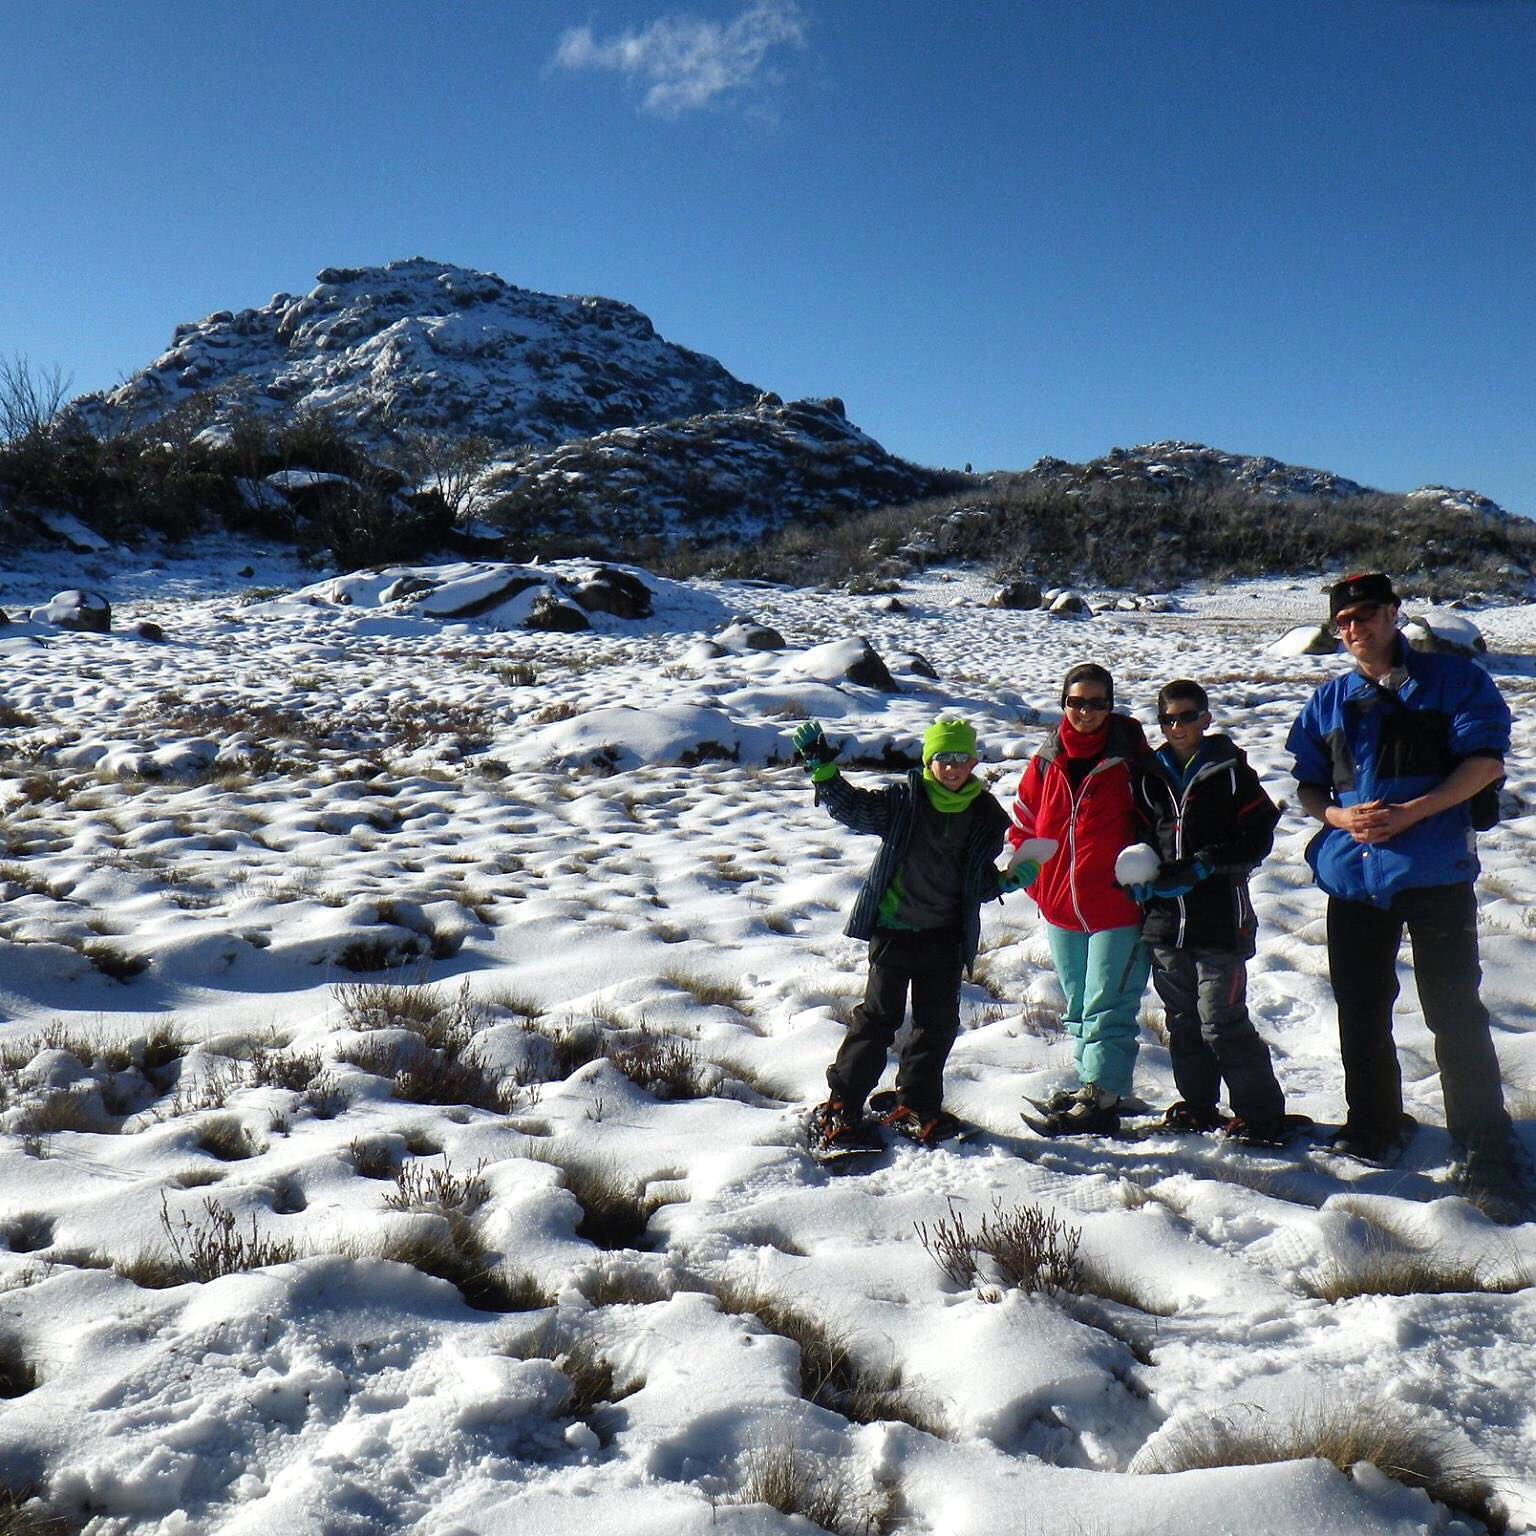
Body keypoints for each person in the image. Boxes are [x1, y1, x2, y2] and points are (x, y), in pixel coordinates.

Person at [1286, 572, 1528, 1219]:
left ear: (1394, 615)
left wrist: (1413, 811)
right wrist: (1338, 819)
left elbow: (1485, 763)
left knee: (1452, 1011)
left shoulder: (1455, 682)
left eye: (1365, 615)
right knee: (1361, 1008)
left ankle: (1484, 1145)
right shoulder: (1330, 701)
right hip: (1354, 877)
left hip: (1435, 872)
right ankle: (1374, 1124)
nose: (1354, 629)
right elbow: (1308, 787)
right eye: (1343, 622)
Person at [790, 715, 1013, 1153]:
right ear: (928, 760)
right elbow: (854, 807)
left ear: (973, 761)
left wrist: (1008, 880)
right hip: (894, 933)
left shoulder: (985, 815)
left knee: (937, 1026)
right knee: (877, 1021)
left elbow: (978, 883)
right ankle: (842, 1105)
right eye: (941, 758)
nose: (951, 767)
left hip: (945, 938)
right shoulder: (905, 801)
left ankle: (917, 1105)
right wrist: (823, 771)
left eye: (961, 758)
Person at [1130, 679, 1289, 1143]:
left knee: (1221, 1021)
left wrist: (1205, 865)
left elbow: (1259, 837)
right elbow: (1137, 835)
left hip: (1221, 919)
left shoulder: (1233, 771)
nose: (1177, 727)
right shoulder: (1149, 774)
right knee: (1182, 1022)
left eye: (1186, 716)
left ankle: (1261, 1116)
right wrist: (1135, 878)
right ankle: (1199, 1106)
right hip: (1164, 923)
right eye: (1168, 719)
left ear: (1206, 717)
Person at [1009, 664, 1153, 1135]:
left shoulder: (1131, 758)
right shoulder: (1048, 757)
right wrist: (1035, 881)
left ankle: (1104, 1096)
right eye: (1077, 702)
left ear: (1110, 705)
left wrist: (1144, 875)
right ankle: (1092, 1084)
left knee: (1107, 1004)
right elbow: (1025, 821)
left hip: (1115, 905)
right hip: (1060, 904)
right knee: (1077, 1004)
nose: (1086, 712)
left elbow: (1158, 823)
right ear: (1063, 703)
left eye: (1097, 703)